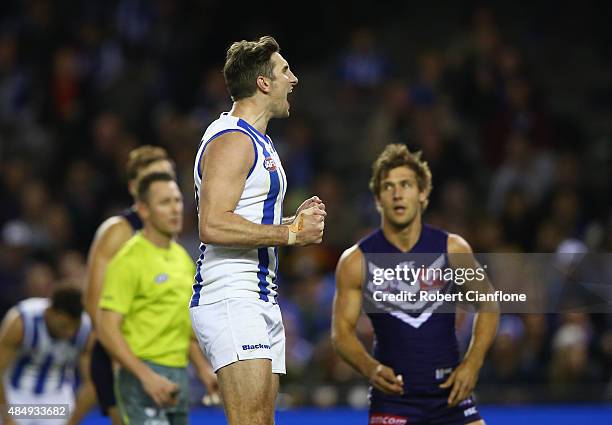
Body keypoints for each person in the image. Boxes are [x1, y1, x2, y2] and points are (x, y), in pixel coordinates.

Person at [189, 35, 325, 425]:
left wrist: (288, 224)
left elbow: (242, 218)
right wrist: (290, 235)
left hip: (259, 294)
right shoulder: (233, 139)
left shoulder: (257, 140)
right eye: (285, 71)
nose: (294, 79)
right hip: (231, 295)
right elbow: (212, 224)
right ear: (263, 83)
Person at [332, 144, 499, 425]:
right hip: (393, 401)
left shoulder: (453, 249)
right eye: (388, 187)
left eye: (406, 185)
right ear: (377, 199)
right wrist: (369, 368)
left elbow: (488, 304)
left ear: (422, 194)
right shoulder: (356, 261)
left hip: (451, 398)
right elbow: (341, 334)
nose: (397, 194)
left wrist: (473, 363)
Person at [84, 146, 217, 423]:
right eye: (154, 177)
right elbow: (99, 310)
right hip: (124, 358)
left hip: (170, 366)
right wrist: (128, 369)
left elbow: (175, 319)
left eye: (167, 176)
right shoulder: (119, 235)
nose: (162, 184)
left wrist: (202, 368)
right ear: (136, 189)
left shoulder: (176, 253)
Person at [0, 285, 96, 425]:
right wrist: (7, 418)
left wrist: (73, 421)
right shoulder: (22, 322)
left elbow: (91, 383)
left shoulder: (85, 331)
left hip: (54, 400)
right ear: (50, 312)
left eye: (73, 328)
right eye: (64, 326)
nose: (69, 333)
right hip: (16, 397)